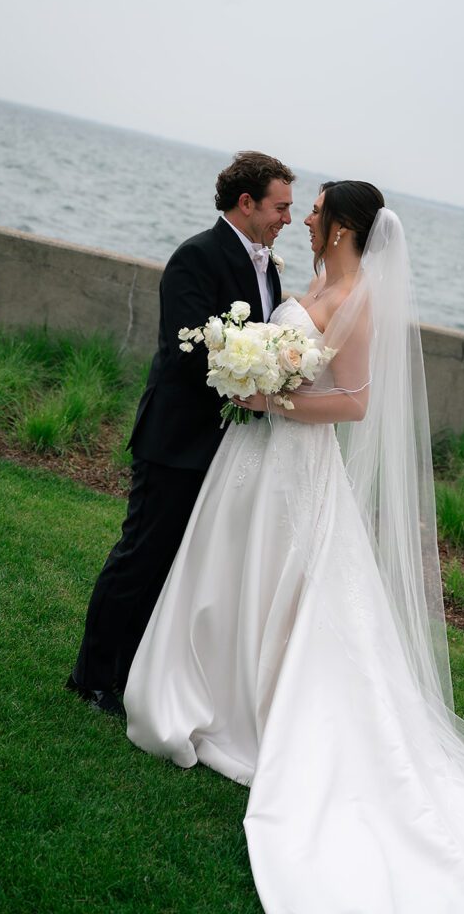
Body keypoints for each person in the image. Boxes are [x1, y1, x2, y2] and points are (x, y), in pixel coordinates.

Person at [124, 182, 464, 912]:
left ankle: (254, 711)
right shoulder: (317, 282)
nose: (308, 214)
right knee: (234, 570)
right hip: (254, 461)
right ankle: (210, 689)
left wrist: (273, 400)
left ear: (344, 228)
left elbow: (353, 402)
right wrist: (248, 373)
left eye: (319, 207)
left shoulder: (360, 302)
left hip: (296, 465)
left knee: (285, 585)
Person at [66, 151, 294, 715]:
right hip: (177, 438)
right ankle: (92, 677)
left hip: (225, 445)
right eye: (280, 207)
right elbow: (188, 353)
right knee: (141, 555)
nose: (286, 218)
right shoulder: (197, 256)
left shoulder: (269, 266)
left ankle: (139, 671)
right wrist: (260, 390)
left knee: (177, 566)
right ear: (247, 203)